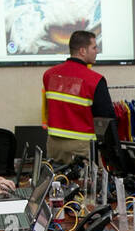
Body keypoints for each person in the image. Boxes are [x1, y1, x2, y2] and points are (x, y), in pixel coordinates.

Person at [42, 30, 115, 162]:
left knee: (57, 181)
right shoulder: (95, 80)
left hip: (54, 145)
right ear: (82, 51)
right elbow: (107, 116)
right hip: (81, 147)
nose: (97, 51)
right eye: (94, 47)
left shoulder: (49, 75)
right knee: (84, 182)